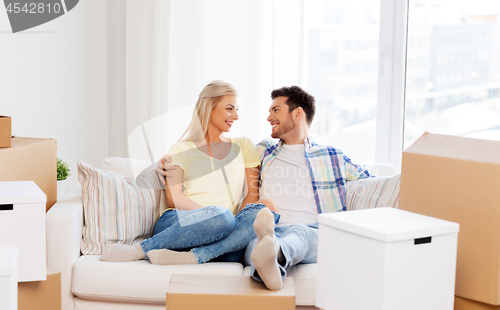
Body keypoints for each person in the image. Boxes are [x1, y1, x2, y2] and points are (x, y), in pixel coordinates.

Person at [99, 80, 277, 264]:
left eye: (237, 109)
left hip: (224, 227)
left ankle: (193, 256)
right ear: (209, 108)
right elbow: (174, 198)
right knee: (222, 220)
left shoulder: (244, 145)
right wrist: (217, 215)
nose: (236, 116)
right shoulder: (180, 149)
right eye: (230, 108)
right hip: (179, 222)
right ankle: (140, 249)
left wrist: (231, 221)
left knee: (266, 209)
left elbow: (252, 194)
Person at [245, 86, 372, 290]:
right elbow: (227, 164)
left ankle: (275, 254)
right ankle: (270, 255)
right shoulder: (263, 151)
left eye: (275, 110)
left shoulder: (331, 156)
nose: (269, 117)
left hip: (314, 231)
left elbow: (371, 183)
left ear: (297, 113)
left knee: (300, 233)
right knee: (255, 244)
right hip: (270, 230)